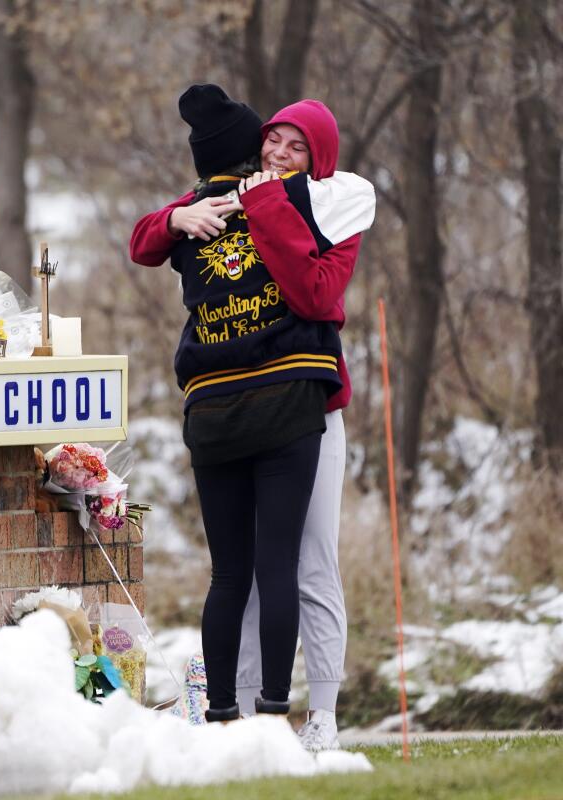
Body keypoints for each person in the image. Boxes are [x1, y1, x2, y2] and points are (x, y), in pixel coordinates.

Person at [130, 88, 372, 745]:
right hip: (236, 402)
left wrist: (267, 206)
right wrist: (181, 221)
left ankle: (320, 717)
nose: (281, 153)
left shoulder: (330, 205)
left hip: (313, 409)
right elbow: (145, 237)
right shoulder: (231, 193)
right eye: (275, 140)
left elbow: (314, 294)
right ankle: (232, 716)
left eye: (298, 148)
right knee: (245, 575)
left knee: (309, 564)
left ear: (316, 161)